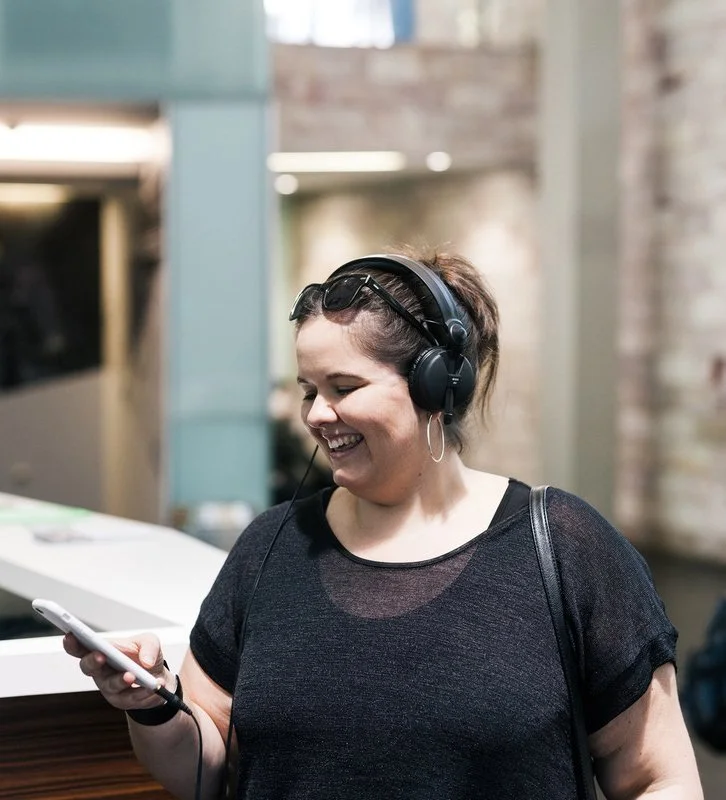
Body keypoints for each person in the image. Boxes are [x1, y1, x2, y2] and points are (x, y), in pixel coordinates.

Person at [64, 250, 704, 799]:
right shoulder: (272, 546)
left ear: (435, 388)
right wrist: (153, 706)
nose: (317, 414)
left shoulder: (563, 547)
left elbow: (657, 777)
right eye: (308, 388)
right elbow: (204, 766)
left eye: (344, 386)